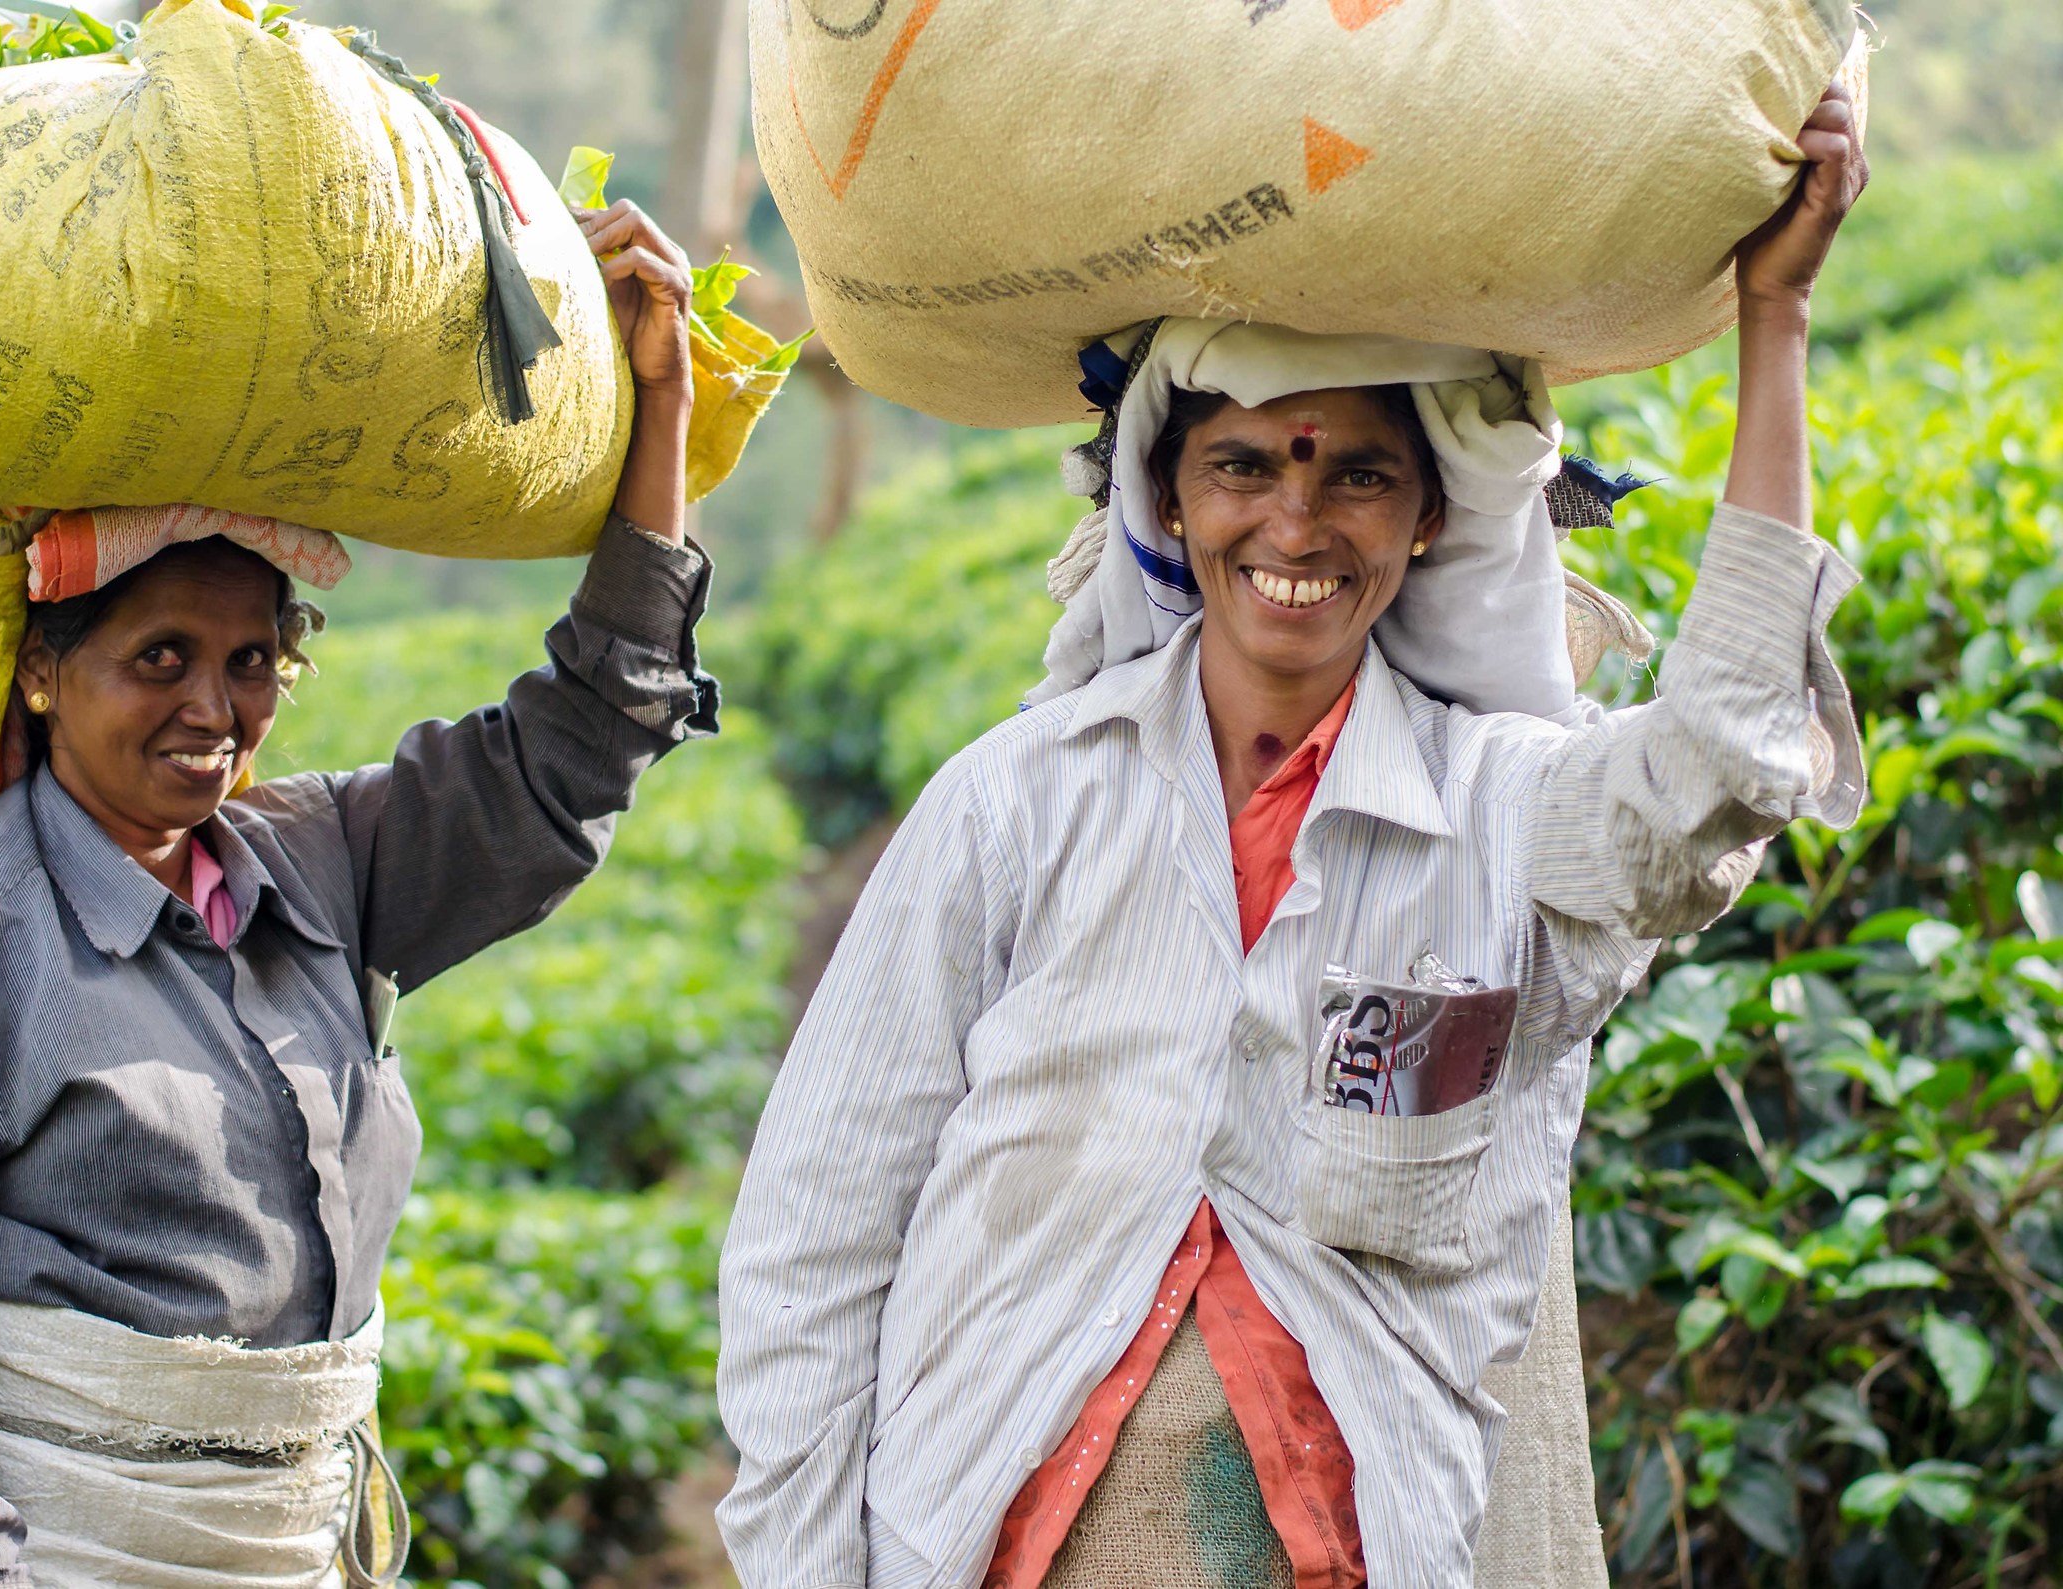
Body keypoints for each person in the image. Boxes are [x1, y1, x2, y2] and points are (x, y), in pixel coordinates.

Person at [716, 87, 1867, 1589]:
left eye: (1360, 474)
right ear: (1174, 502)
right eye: (1246, 466)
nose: (1299, 522)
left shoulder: (1501, 808)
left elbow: (1717, 767)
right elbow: (817, 1235)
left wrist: (1771, 318)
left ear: (1430, 520)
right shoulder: (1018, 803)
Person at [0, 200, 707, 1589]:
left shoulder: (318, 861)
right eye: (159, 657)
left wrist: (660, 411)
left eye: (255, 661)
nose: (216, 707)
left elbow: (570, 757)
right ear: (43, 669)